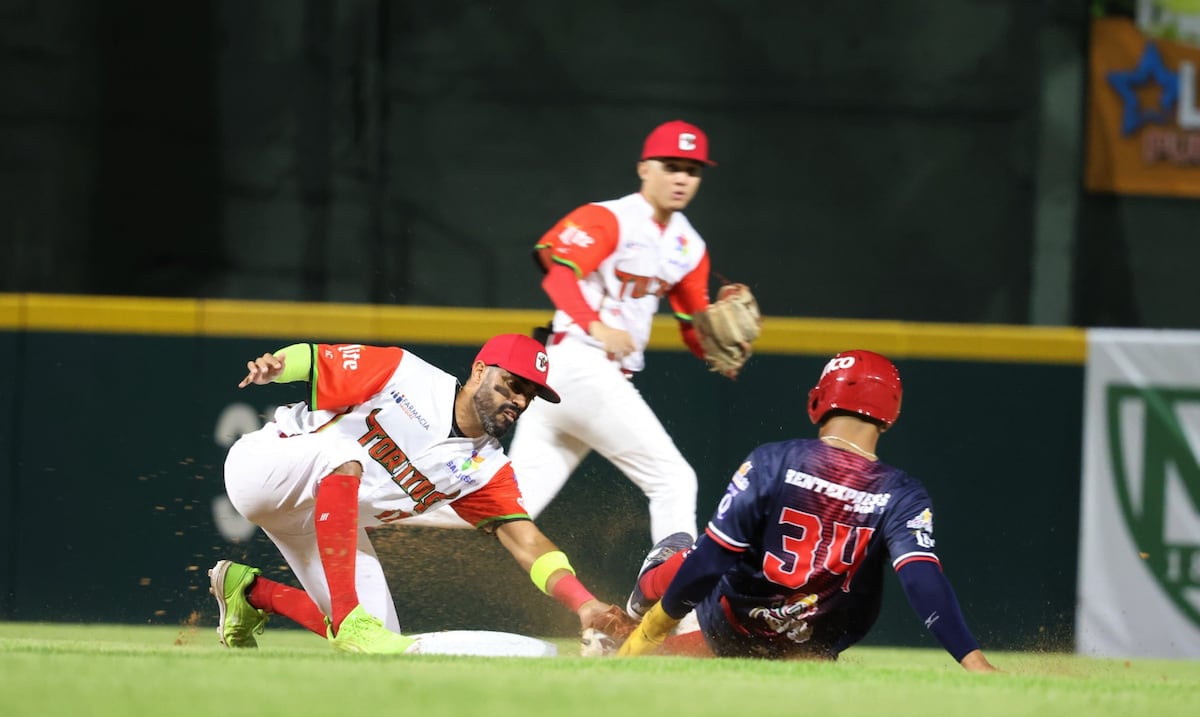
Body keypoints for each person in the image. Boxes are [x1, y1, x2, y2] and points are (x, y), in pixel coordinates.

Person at [403, 119, 737, 545]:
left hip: (576, 381)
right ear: (644, 168)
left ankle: (375, 507)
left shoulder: (689, 246)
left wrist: (714, 351)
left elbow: (694, 325)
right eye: (670, 166)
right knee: (673, 479)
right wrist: (598, 326)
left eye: (691, 171)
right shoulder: (611, 217)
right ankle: (673, 604)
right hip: (581, 363)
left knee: (513, 504)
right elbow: (558, 273)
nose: (681, 178)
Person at [208, 334, 622, 653]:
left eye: (528, 395)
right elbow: (317, 360)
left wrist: (584, 603)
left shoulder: (486, 470)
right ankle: (350, 615)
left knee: (380, 642)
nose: (517, 400)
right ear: (480, 370)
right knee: (344, 456)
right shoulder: (405, 374)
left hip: (319, 517)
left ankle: (251, 593)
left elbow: (527, 542)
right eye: (511, 384)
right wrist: (277, 366)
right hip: (265, 467)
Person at [615, 350, 999, 672]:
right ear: (890, 413)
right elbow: (920, 580)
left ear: (820, 398)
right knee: (777, 641)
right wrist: (974, 662)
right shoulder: (902, 493)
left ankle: (635, 609)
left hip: (731, 623)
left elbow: (712, 559)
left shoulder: (774, 460)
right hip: (810, 645)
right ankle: (636, 632)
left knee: (695, 551)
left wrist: (649, 630)